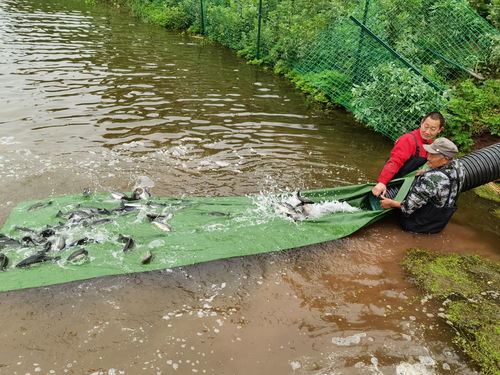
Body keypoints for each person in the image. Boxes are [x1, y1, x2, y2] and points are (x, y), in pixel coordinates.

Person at [380, 137, 465, 234]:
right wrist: (426, 170)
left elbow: (408, 207)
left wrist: (391, 203)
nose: (428, 157)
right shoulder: (458, 165)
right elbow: (444, 177)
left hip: (418, 225)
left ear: (445, 159)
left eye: (433, 155)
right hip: (439, 221)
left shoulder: (430, 179)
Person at [371, 112, 445, 197]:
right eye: (426, 126)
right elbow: (395, 161)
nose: (427, 132)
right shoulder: (407, 140)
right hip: (393, 183)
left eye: (433, 129)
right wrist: (382, 182)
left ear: (439, 130)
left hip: (409, 185)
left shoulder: (432, 145)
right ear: (421, 122)